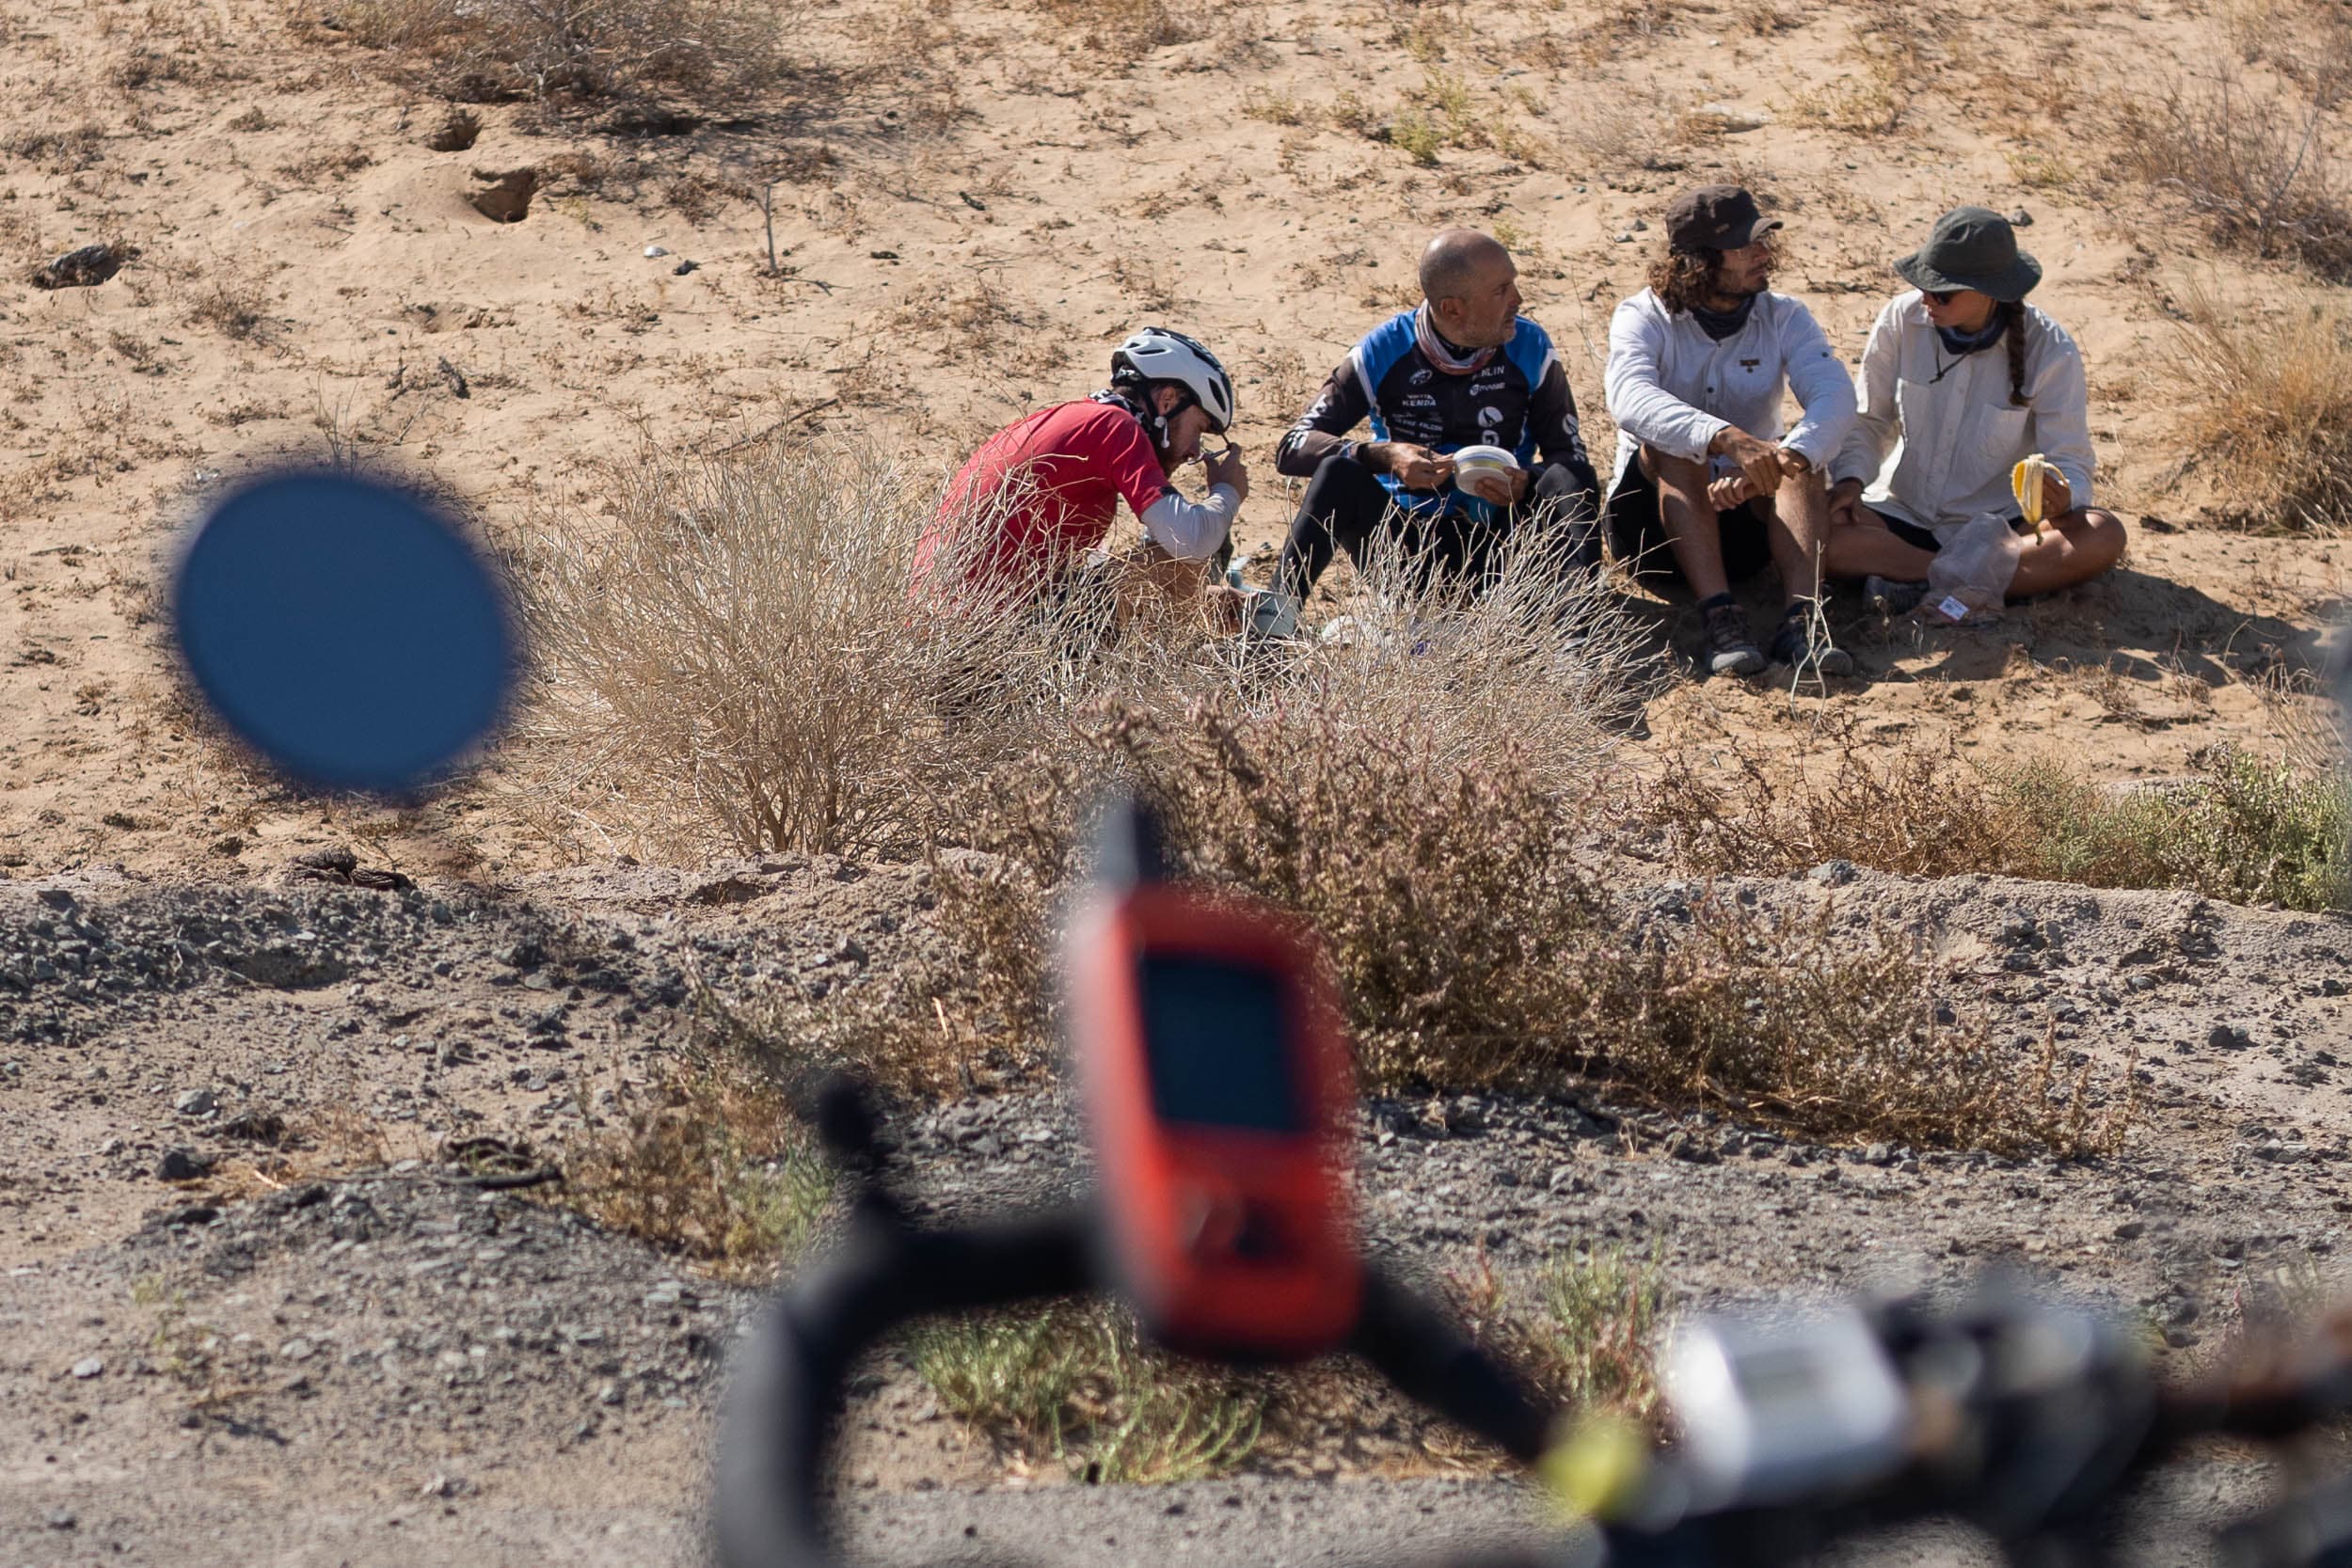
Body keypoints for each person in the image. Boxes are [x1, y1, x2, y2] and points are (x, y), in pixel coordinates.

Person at [1255, 228, 1602, 638]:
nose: (1518, 301)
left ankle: (1578, 639)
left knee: (1573, 478)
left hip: (1508, 546)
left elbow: (1570, 457)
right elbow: (1291, 447)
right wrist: (1382, 456)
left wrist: (1527, 485)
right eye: (1502, 290)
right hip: (1411, 551)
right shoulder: (1383, 350)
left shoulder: (1530, 345)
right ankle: (1270, 632)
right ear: (1453, 309)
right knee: (1338, 472)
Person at [1602, 184, 1858, 678]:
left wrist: (1787, 458)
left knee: (1803, 455)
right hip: (1649, 535)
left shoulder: (1786, 315)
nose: (1764, 254)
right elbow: (1630, 399)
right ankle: (1720, 615)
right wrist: (1723, 437)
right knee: (1674, 445)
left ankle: (1804, 622)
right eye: (1745, 246)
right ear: (1697, 262)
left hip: (1748, 527)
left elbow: (1835, 396)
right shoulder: (1642, 315)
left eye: (1762, 240)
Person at [1822, 206, 2126, 604]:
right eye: (1923, 285)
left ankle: (1916, 580)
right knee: (1816, 531)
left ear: (1990, 294)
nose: (1927, 299)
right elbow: (1869, 419)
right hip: (1901, 513)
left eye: (1942, 293)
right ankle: (1969, 585)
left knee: (2103, 535)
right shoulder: (1901, 318)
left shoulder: (2050, 348)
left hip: (2002, 528)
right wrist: (1850, 480)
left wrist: (2064, 496)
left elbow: (2069, 458)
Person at [914, 328, 1249, 619]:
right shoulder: (1114, 427)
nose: (1195, 450)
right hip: (983, 629)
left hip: (947, 623)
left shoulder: (1078, 419)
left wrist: (1197, 606)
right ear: (1167, 401)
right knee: (1177, 567)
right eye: (1199, 427)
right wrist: (1226, 491)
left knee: (1174, 583)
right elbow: (1189, 542)